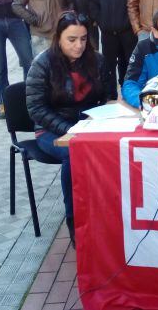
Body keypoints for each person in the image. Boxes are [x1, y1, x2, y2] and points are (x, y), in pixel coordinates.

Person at [26, 12, 117, 244]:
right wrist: (69, 129)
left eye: (84, 39)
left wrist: (106, 116)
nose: (79, 45)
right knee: (74, 153)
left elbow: (109, 97)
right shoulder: (43, 63)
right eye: (72, 39)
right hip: (52, 129)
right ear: (58, 38)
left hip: (90, 124)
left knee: (115, 149)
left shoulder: (96, 60)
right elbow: (36, 108)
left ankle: (109, 212)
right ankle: (74, 218)